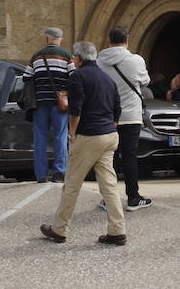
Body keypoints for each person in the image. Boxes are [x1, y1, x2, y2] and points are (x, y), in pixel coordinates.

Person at [39, 41, 126, 246]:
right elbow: (117, 109)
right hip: (110, 135)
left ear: (78, 58)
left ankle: (59, 229)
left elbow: (75, 110)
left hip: (89, 136)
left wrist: (71, 134)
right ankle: (117, 230)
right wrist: (110, 126)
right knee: (109, 185)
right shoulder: (107, 78)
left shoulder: (77, 77)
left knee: (72, 184)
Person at [97, 25, 153, 211]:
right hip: (130, 115)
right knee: (130, 156)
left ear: (109, 40)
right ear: (127, 40)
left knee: (108, 158)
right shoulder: (136, 60)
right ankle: (133, 198)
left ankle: (108, 199)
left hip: (107, 116)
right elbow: (145, 81)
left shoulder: (99, 61)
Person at [26, 27, 73, 184]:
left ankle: (41, 174)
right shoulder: (67, 56)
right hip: (60, 103)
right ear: (60, 39)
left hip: (40, 102)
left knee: (40, 136)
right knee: (60, 136)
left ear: (47, 39)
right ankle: (60, 173)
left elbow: (27, 77)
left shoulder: (36, 57)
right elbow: (74, 77)